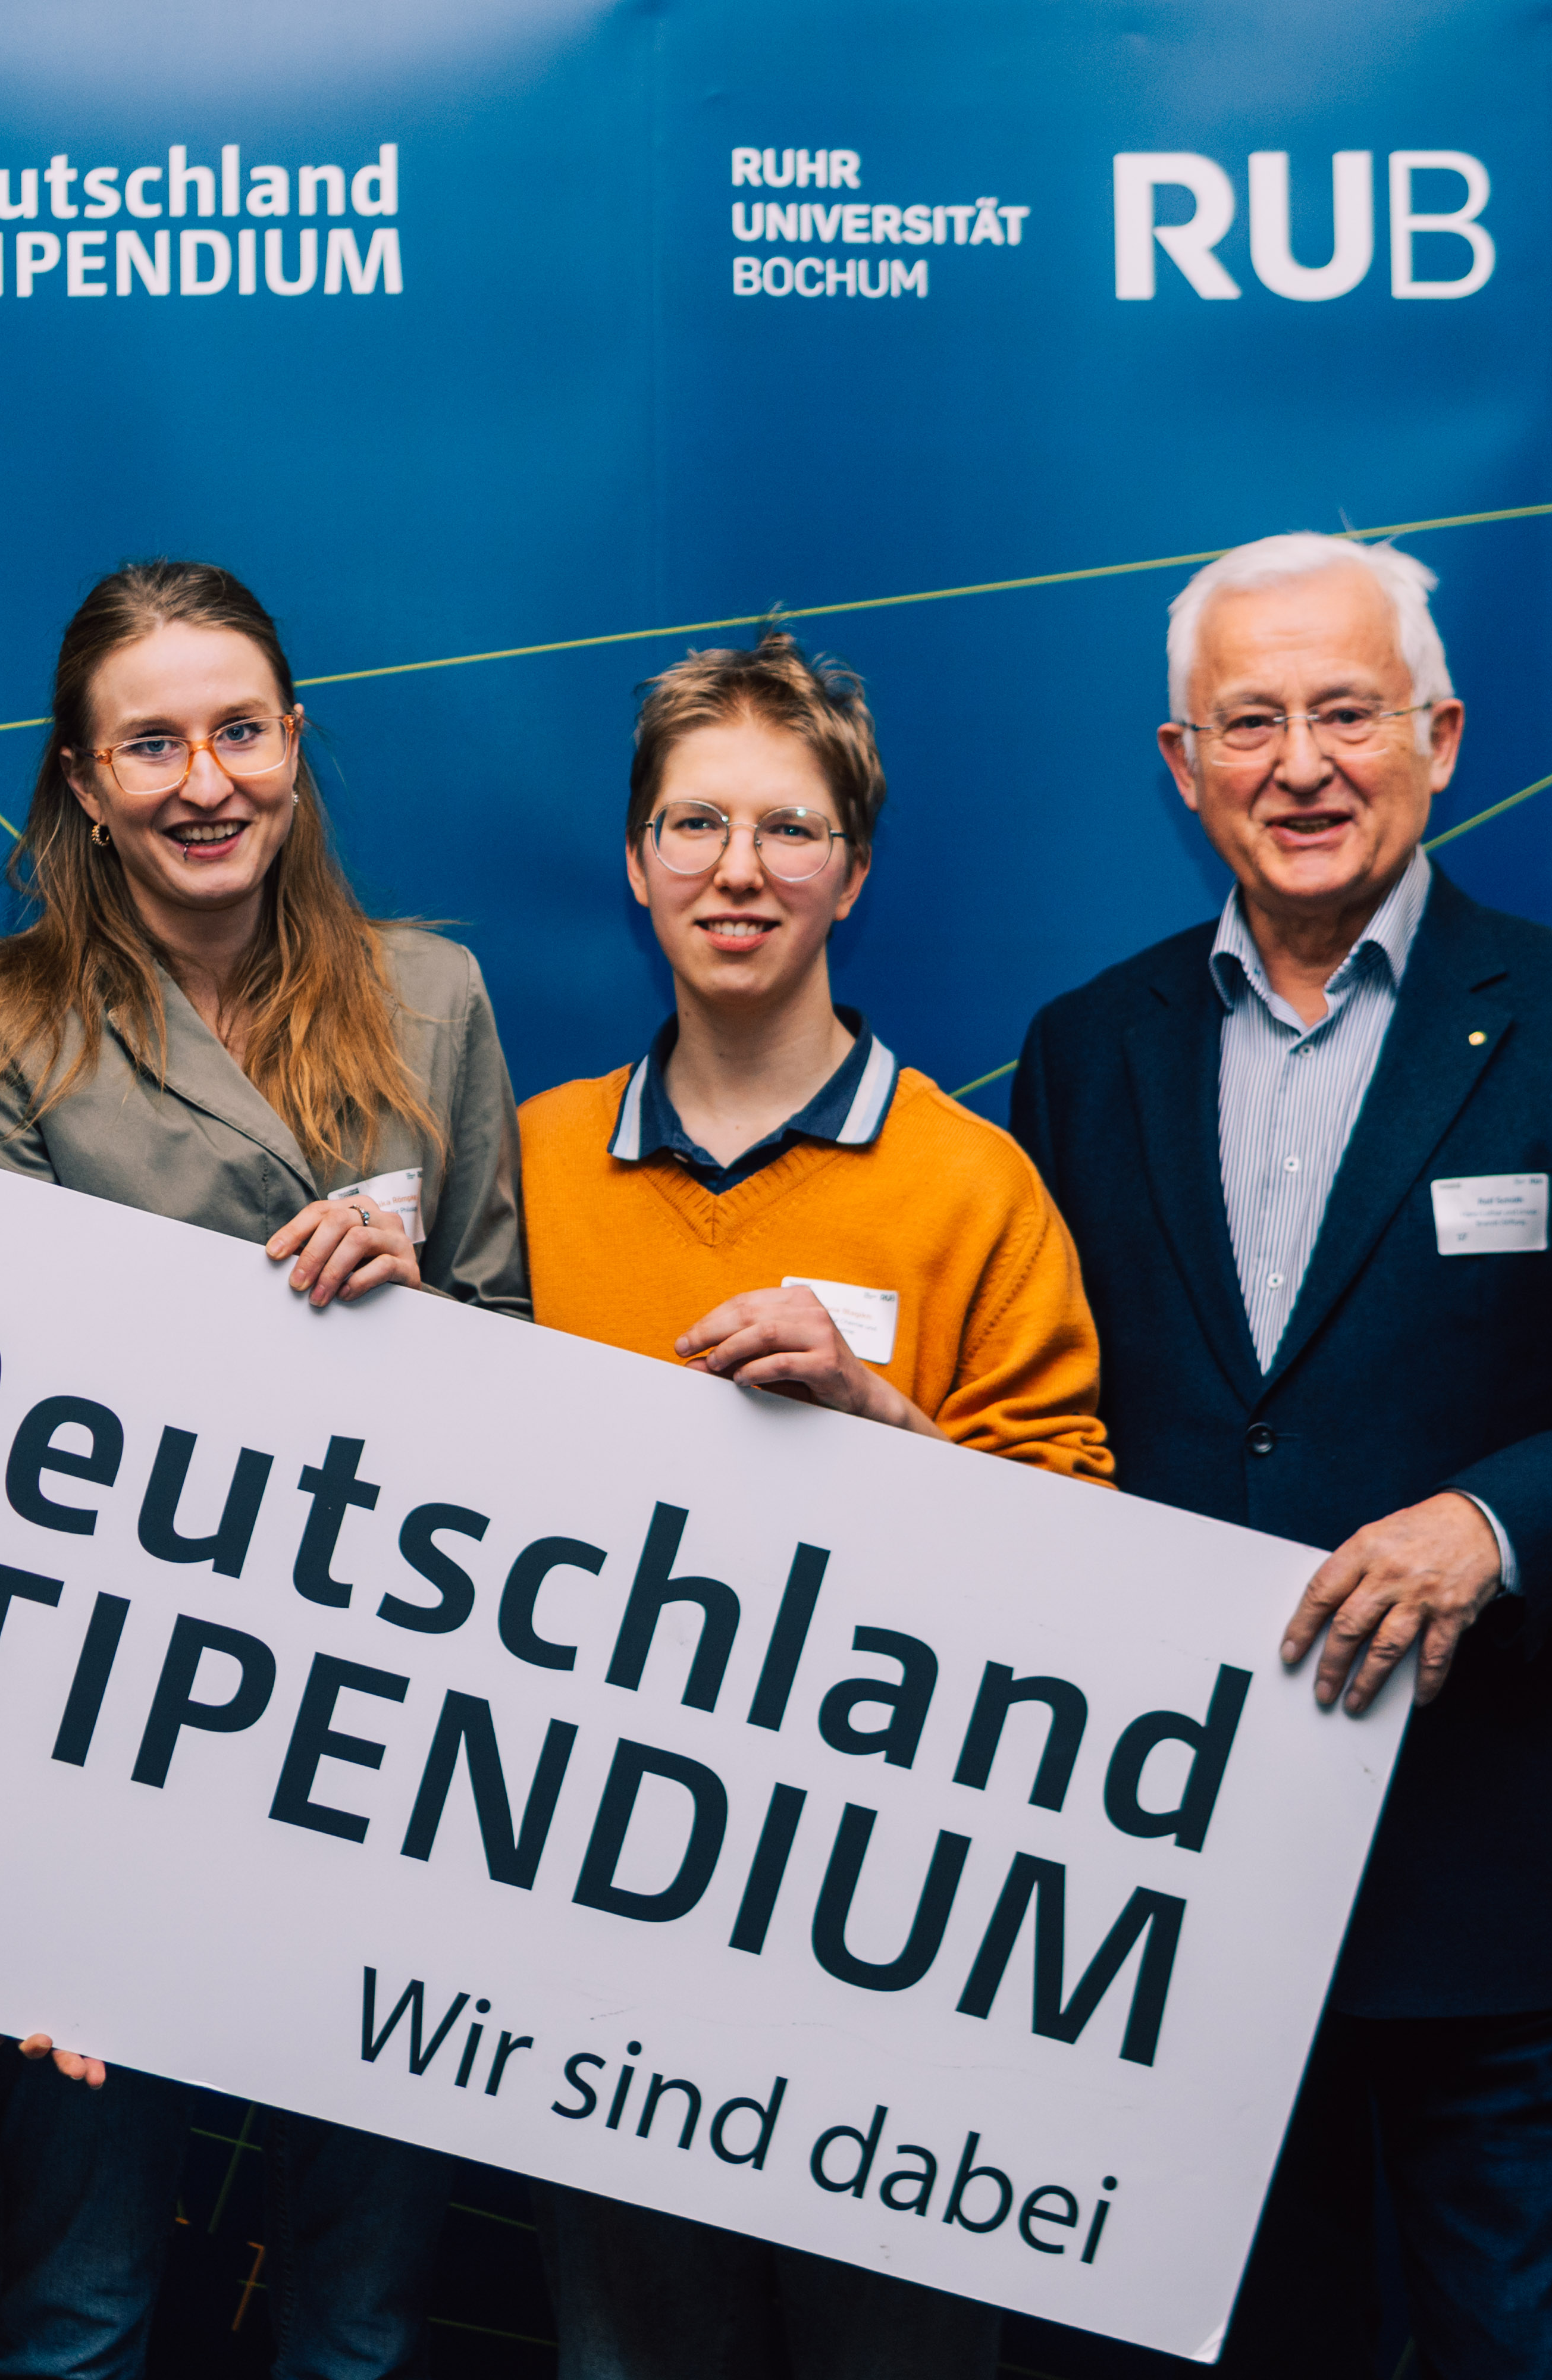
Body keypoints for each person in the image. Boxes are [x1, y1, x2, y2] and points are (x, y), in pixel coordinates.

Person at [1009, 534, 1552, 2376]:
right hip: (1177, 1886)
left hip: (1495, 1879)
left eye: (1348, 713)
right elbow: (1043, 1412)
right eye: (1250, 721)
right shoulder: (1087, 1050)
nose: (1302, 764)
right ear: (1182, 765)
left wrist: (1491, 1523)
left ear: (1439, 738)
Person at [0, 558, 528, 2379]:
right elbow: (4, 1407)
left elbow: (516, 1370)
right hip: (112, 1734)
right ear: (83, 783)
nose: (206, 783)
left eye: (241, 732)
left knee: (362, 2318)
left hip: (378, 1724)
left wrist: (416, 1312)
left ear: (297, 745)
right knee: (79, 2304)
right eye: (152, 745)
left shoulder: (433, 998)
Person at [515, 631, 1106, 2380]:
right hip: (599, 1938)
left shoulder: (977, 1187)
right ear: (637, 865)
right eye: (695, 825)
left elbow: (1088, 1574)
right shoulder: (527, 1165)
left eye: (790, 828)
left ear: (851, 873)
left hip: (895, 1962)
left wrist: (877, 1422)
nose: (739, 870)